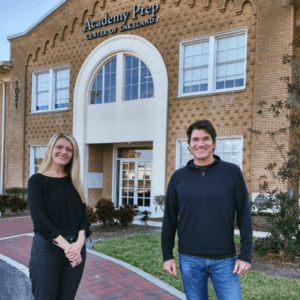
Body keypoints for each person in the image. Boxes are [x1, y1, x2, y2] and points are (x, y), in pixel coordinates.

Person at [161, 120, 253, 300]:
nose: (200, 143)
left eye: (206, 138)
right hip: (189, 259)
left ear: (214, 143)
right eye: (195, 139)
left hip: (225, 260)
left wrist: (246, 254)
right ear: (189, 145)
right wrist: (167, 255)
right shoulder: (178, 177)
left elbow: (244, 215)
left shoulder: (231, 172)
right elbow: (170, 219)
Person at [28, 132, 91, 300]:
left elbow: (83, 219)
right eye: (60, 147)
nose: (64, 152)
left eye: (69, 149)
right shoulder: (37, 181)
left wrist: (78, 245)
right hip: (47, 249)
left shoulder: (75, 181)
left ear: (73, 155)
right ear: (51, 149)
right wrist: (69, 248)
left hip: (76, 249)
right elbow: (41, 222)